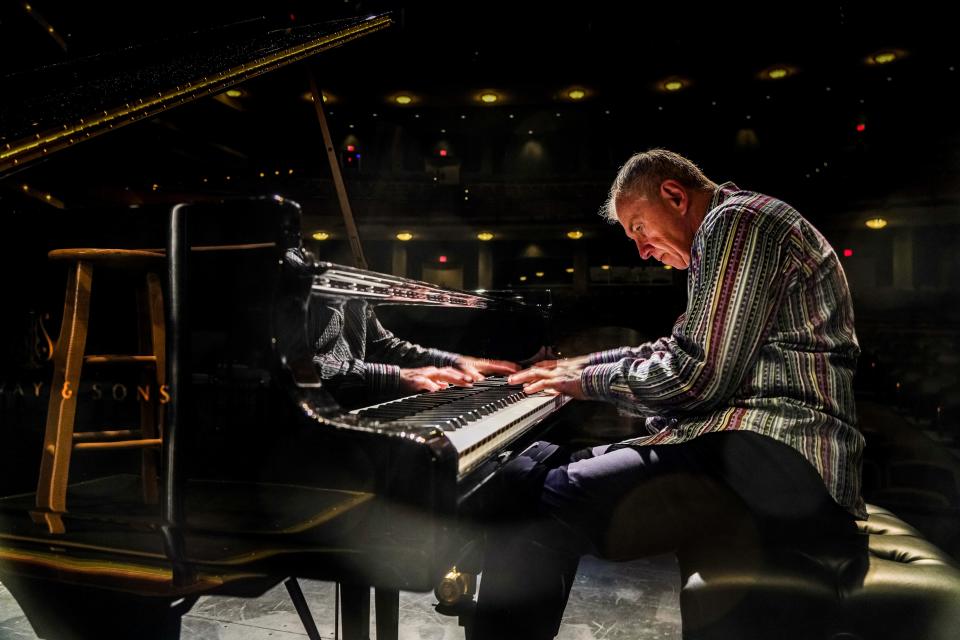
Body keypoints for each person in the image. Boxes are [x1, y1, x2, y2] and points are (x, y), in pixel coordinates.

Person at [470, 149, 865, 639]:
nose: (640, 249)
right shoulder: (729, 233)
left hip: (777, 460)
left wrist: (583, 383)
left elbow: (695, 376)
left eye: (638, 227)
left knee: (541, 499)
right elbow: (675, 347)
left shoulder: (737, 222)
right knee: (532, 467)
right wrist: (576, 365)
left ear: (674, 196)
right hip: (750, 454)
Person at [311, 298, 518, 407]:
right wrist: (394, 377)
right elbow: (294, 366)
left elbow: (384, 346)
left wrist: (451, 361)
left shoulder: (346, 279)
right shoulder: (286, 269)